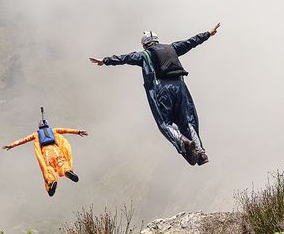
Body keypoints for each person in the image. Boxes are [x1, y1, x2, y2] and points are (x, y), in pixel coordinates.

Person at [89, 22, 220, 165]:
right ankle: (201, 153)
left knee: (165, 123)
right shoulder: (173, 48)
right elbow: (191, 42)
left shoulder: (144, 55)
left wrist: (105, 61)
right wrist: (208, 33)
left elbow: (125, 58)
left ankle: (184, 142)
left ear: (145, 44)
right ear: (156, 40)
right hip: (180, 86)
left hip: (162, 89)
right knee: (188, 121)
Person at [3, 108, 89, 197]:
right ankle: (67, 171)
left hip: (46, 154)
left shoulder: (36, 135)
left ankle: (52, 182)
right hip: (56, 151)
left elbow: (23, 140)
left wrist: (11, 145)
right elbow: (66, 130)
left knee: (49, 170)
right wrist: (78, 132)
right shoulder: (53, 130)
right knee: (62, 164)